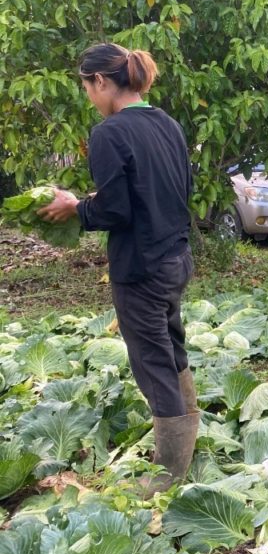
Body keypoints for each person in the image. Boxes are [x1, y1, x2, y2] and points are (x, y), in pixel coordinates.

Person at [38, 43, 198, 494]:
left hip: (140, 268)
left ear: (101, 82)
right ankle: (187, 445)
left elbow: (117, 211)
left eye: (87, 87)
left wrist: (76, 207)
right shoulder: (167, 124)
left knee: (152, 363)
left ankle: (169, 475)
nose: (89, 96)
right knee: (171, 347)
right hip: (174, 258)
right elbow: (175, 189)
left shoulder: (109, 133)